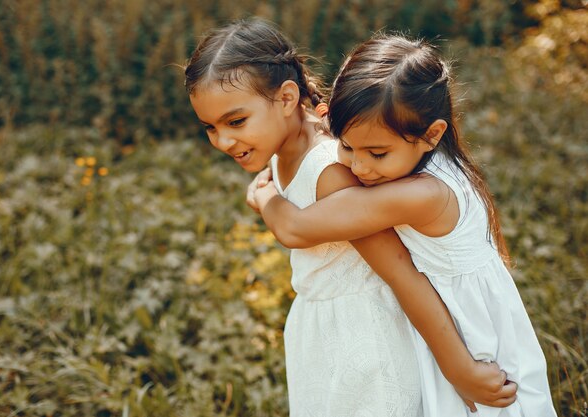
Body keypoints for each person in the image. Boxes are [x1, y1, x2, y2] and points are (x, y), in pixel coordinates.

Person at [185, 19, 517, 416]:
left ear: (288, 98)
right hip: (324, 329)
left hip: (366, 342)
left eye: (235, 122)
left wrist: (457, 367)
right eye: (210, 127)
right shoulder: (280, 145)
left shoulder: (332, 170)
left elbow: (401, 272)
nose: (223, 140)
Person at [251, 33, 557, 417]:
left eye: (377, 153)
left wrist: (263, 195)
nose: (359, 167)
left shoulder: (422, 194)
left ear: (432, 135)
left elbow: (295, 228)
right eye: (346, 146)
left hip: (474, 342)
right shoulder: (421, 160)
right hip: (449, 327)